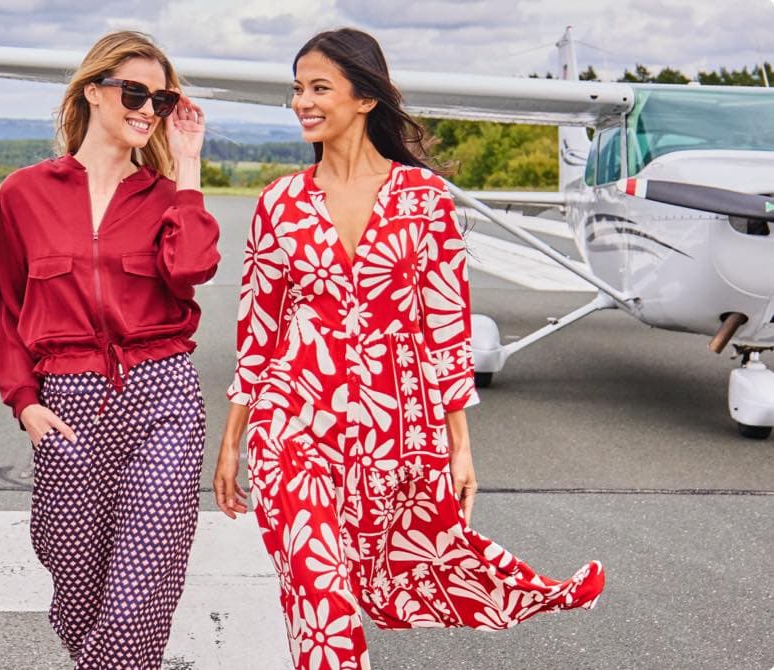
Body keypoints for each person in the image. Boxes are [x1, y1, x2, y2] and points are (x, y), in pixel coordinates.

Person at [212, 28, 605, 668]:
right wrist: (232, 440)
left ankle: (537, 594)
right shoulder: (279, 202)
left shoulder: (423, 201)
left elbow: (446, 328)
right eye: (296, 89)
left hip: (390, 430)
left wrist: (460, 445)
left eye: (318, 88)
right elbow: (259, 333)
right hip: (291, 428)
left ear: (365, 98)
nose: (301, 103)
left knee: (399, 563)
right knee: (320, 603)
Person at [0, 30, 220, 670]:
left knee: (141, 588)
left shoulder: (167, 197)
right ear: (93, 90)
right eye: (136, 92)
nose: (149, 109)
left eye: (163, 100)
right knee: (76, 587)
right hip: (66, 405)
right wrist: (24, 402)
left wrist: (189, 164)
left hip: (163, 400)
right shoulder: (23, 194)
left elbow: (193, 269)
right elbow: (9, 310)